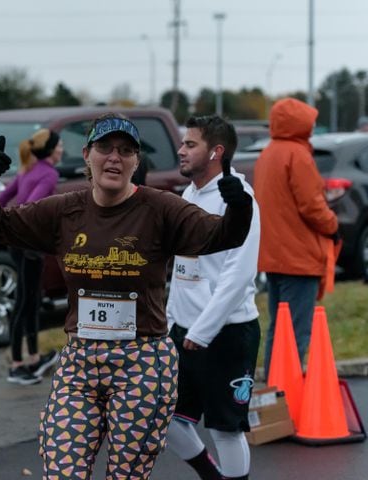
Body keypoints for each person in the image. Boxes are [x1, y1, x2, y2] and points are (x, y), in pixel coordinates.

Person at [0, 113, 254, 478]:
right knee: (62, 471)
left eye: (125, 150)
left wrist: (239, 207)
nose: (114, 158)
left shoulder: (160, 209)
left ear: (136, 162)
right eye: (105, 147)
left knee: (125, 475)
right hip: (80, 361)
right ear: (87, 154)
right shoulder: (64, 211)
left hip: (142, 361)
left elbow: (223, 237)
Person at [165, 115, 261, 480]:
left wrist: (202, 331)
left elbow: (238, 275)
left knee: (225, 428)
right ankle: (213, 476)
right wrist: (174, 322)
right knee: (167, 417)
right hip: (182, 331)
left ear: (216, 152)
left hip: (227, 334)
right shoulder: (189, 195)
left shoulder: (240, 198)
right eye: (183, 143)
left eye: (191, 144)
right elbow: (184, 269)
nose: (181, 150)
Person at [254, 98, 339, 377]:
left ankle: (272, 396)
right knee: (296, 333)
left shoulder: (268, 153)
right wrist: (332, 224)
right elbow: (312, 205)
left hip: (274, 255)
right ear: (299, 123)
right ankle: (289, 399)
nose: (313, 126)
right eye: (309, 120)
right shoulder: (298, 155)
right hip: (298, 257)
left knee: (278, 328)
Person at [0, 129, 63, 385]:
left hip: (17, 244)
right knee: (25, 301)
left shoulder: (26, 169)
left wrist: (3, 227)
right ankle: (17, 365)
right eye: (59, 146)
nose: (62, 150)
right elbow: (30, 208)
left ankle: (34, 358)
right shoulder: (48, 174)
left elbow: (2, 199)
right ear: (50, 150)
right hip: (29, 246)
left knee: (31, 299)